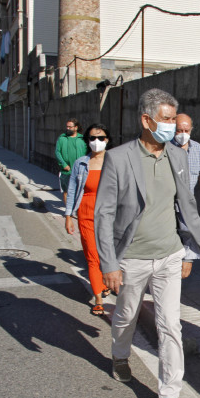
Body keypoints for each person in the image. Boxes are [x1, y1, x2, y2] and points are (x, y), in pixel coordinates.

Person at [94, 88, 200, 398]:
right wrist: (110, 264)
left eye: (175, 119)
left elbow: (185, 207)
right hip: (132, 257)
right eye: (167, 119)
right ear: (146, 120)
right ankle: (119, 356)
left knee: (170, 325)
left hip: (170, 254)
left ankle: (169, 395)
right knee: (127, 315)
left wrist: (189, 251)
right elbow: (104, 215)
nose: (173, 126)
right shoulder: (119, 158)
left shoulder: (177, 156)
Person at [64, 123, 112, 315]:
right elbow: (73, 189)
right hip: (86, 212)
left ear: (107, 140)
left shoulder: (114, 161)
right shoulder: (81, 163)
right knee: (92, 257)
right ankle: (98, 297)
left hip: (110, 214)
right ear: (87, 141)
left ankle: (107, 282)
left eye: (101, 138)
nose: (96, 142)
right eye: (92, 138)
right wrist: (68, 216)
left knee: (109, 254)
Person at [171, 113, 200, 215]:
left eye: (186, 131)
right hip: (168, 207)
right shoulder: (164, 148)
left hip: (189, 207)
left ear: (191, 129)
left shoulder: (198, 149)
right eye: (179, 130)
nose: (183, 134)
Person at [55, 118, 87, 205]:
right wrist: (64, 164)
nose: (68, 128)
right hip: (66, 170)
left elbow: (87, 153)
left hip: (80, 170)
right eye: (67, 127)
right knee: (66, 191)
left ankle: (76, 210)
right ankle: (68, 212)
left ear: (76, 128)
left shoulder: (82, 139)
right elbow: (57, 152)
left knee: (79, 191)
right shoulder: (62, 138)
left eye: (70, 127)